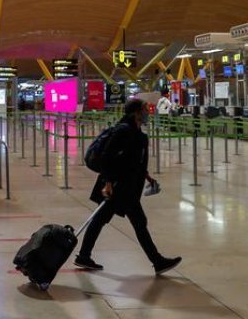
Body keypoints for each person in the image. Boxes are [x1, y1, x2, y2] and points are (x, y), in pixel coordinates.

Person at [74, 99, 182, 275]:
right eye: (145, 109)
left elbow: (132, 159)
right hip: (118, 186)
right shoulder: (124, 130)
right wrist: (108, 183)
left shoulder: (134, 130)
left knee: (121, 221)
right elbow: (108, 156)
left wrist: (146, 175)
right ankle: (157, 261)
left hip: (127, 185)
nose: (149, 111)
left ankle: (84, 255)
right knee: (126, 221)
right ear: (136, 112)